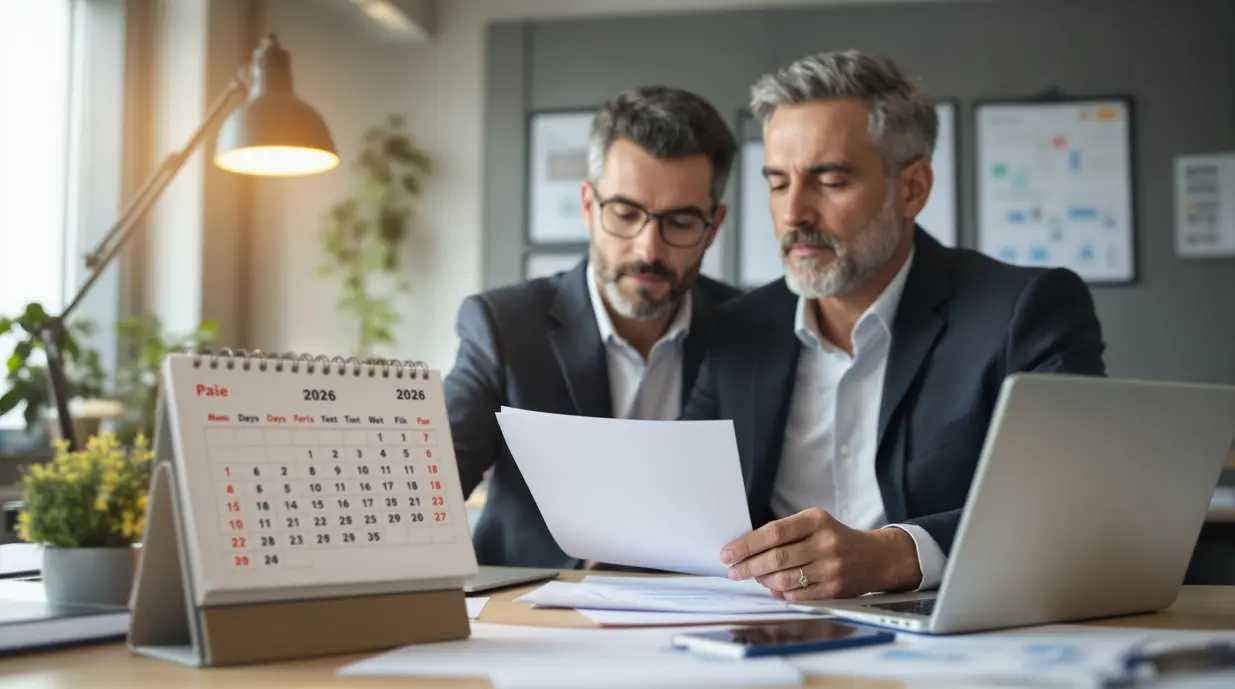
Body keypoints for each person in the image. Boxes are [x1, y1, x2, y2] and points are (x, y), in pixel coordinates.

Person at [682, 50, 1106, 601]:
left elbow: (1072, 501)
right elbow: (689, 503)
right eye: (778, 183)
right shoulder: (736, 329)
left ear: (912, 188)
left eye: (829, 180)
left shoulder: (1025, 310)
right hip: (755, 638)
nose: (793, 215)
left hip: (951, 644)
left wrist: (896, 556)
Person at [445, 85, 743, 568]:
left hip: (705, 621)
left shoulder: (751, 329)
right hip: (533, 618)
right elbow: (430, 487)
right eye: (625, 214)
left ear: (714, 224)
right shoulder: (503, 327)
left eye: (681, 222)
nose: (648, 249)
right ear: (588, 206)